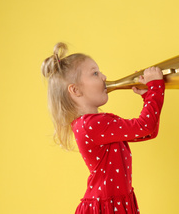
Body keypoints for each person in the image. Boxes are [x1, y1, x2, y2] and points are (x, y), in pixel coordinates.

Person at [41, 42, 165, 213]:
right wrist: (155, 88)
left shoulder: (97, 122)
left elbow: (148, 131)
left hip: (116, 204)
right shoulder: (90, 125)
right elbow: (145, 126)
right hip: (105, 207)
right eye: (95, 73)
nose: (104, 77)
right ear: (75, 90)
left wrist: (148, 97)